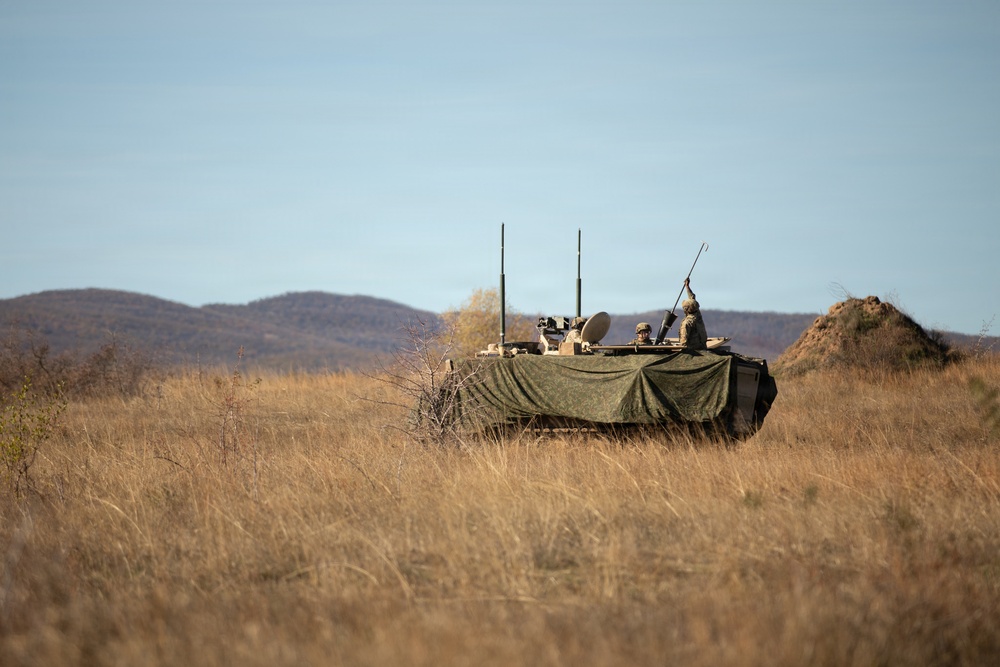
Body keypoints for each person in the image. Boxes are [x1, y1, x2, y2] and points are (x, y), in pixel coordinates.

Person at [679, 278, 708, 350]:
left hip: (693, 350)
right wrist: (687, 286)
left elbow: (683, 342)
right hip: (703, 346)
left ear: (686, 310)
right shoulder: (698, 315)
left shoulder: (687, 323)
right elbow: (692, 298)